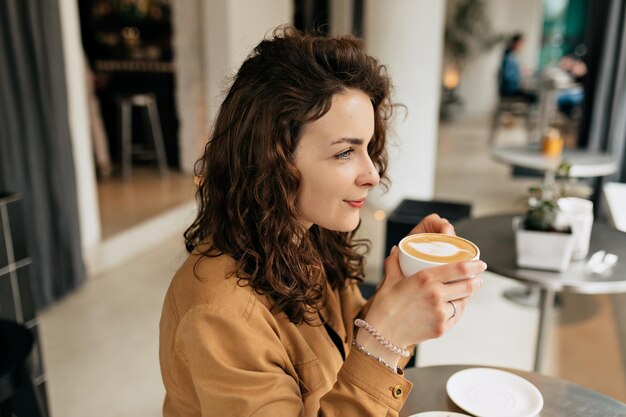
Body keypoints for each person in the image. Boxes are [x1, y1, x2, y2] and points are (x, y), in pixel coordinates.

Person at [159, 26, 486, 417]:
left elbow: (350, 348)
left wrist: (400, 295)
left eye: (367, 148)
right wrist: (388, 339)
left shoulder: (305, 235)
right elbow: (371, 355)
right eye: (345, 152)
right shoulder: (220, 314)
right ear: (272, 160)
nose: (371, 174)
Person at [499, 33, 538, 104]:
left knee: (533, 94)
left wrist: (521, 71)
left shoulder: (512, 56)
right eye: (522, 44)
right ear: (516, 43)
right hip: (509, 90)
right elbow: (508, 76)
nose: (523, 47)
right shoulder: (510, 57)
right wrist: (520, 73)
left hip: (510, 88)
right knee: (534, 97)